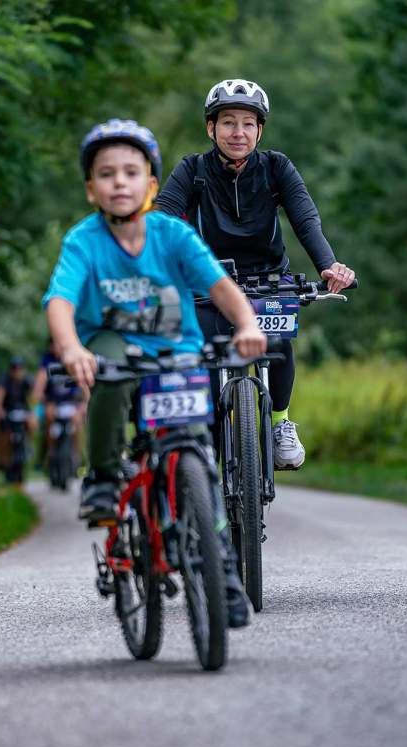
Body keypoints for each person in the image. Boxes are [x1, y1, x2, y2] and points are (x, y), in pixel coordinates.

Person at [42, 118, 266, 627]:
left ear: (150, 184)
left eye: (130, 172)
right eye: (106, 173)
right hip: (113, 345)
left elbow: (220, 286)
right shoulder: (84, 241)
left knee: (199, 457)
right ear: (90, 188)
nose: (118, 181)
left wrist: (247, 325)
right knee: (109, 370)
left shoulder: (172, 234)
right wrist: (72, 347)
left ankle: (222, 572)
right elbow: (60, 299)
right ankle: (101, 474)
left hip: (176, 352)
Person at [156, 79, 356, 469]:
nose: (238, 132)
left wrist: (327, 264)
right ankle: (205, 462)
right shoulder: (193, 170)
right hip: (208, 282)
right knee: (205, 362)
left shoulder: (277, 167)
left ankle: (280, 423)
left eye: (248, 123)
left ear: (259, 130)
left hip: (268, 279)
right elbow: (163, 218)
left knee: (277, 342)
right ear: (210, 128)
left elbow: (305, 218)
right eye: (228, 122)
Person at [32, 338, 86, 471]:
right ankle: (50, 453)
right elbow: (39, 385)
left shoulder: (72, 358)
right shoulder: (47, 361)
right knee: (49, 418)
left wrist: (83, 404)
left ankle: (76, 455)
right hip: (53, 403)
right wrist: (43, 400)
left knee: (77, 422)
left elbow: (83, 383)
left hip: (71, 403)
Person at [0, 356, 36, 476]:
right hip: (7, 411)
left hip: (22, 410)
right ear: (11, 370)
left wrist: (33, 410)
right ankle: (3, 460)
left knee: (32, 423)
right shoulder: (4, 380)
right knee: (3, 433)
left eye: (20, 369)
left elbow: (34, 394)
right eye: (15, 369)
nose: (17, 371)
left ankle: (29, 444)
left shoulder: (27, 380)